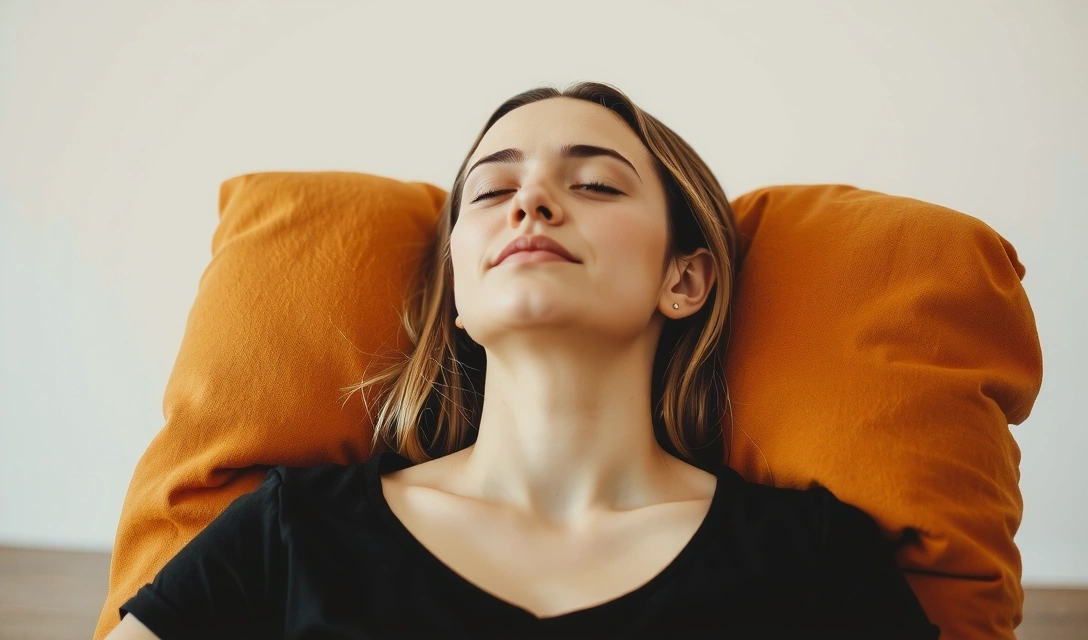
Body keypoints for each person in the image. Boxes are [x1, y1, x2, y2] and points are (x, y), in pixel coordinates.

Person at [106, 81, 940, 639]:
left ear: (684, 278)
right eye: (492, 191)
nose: (532, 202)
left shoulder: (812, 558)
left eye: (597, 186)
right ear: (459, 288)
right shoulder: (291, 533)